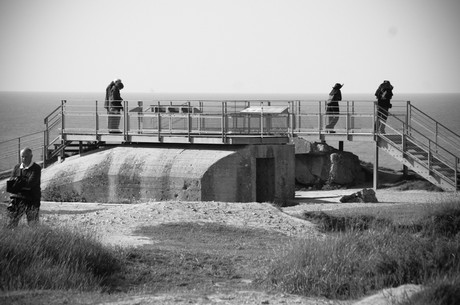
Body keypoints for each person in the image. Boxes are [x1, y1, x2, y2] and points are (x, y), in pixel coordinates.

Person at [6, 148, 42, 228]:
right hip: (17, 199)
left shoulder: (36, 168)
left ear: (31, 156)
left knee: (33, 224)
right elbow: (11, 183)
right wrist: (21, 183)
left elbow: (30, 183)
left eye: (26, 157)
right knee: (11, 223)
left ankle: (34, 239)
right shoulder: (17, 167)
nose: (24, 159)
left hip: (32, 199)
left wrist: (17, 184)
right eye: (22, 157)